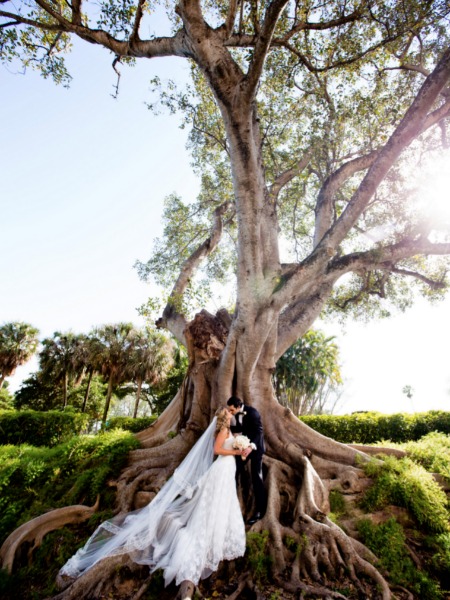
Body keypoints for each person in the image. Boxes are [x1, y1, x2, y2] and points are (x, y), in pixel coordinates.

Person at [58, 408, 248, 588]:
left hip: (226, 469)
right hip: (222, 468)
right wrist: (236, 451)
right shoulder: (223, 430)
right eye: (229, 414)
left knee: (223, 499)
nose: (232, 416)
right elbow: (216, 450)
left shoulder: (227, 429)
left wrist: (242, 447)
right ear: (224, 418)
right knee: (214, 499)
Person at [227, 396, 267, 525]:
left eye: (232, 410)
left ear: (238, 406)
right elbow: (239, 429)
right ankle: (231, 506)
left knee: (257, 478)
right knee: (233, 469)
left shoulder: (253, 413)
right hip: (242, 447)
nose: (230, 412)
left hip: (255, 448)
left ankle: (261, 511)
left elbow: (258, 432)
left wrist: (250, 447)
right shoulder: (236, 414)